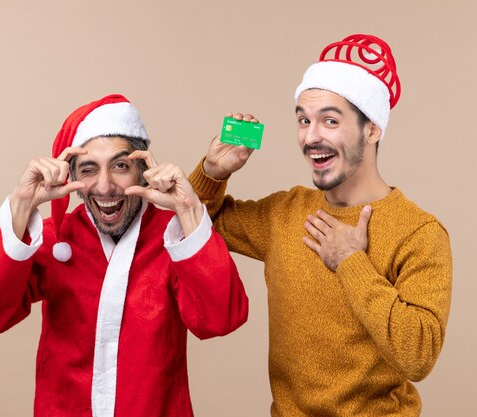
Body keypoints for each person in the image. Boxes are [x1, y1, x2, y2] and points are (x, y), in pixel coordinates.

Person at [188, 34, 452, 416]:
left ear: (372, 128)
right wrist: (212, 172)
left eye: (330, 120)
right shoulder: (285, 212)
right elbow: (197, 222)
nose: (311, 137)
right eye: (303, 120)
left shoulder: (419, 233)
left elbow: (418, 356)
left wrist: (350, 261)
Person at [0, 94, 249, 417]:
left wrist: (189, 208)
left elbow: (222, 319)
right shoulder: (56, 238)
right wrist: (22, 203)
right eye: (89, 169)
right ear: (72, 177)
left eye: (120, 166)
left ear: (142, 168)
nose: (105, 186)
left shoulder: (174, 237)